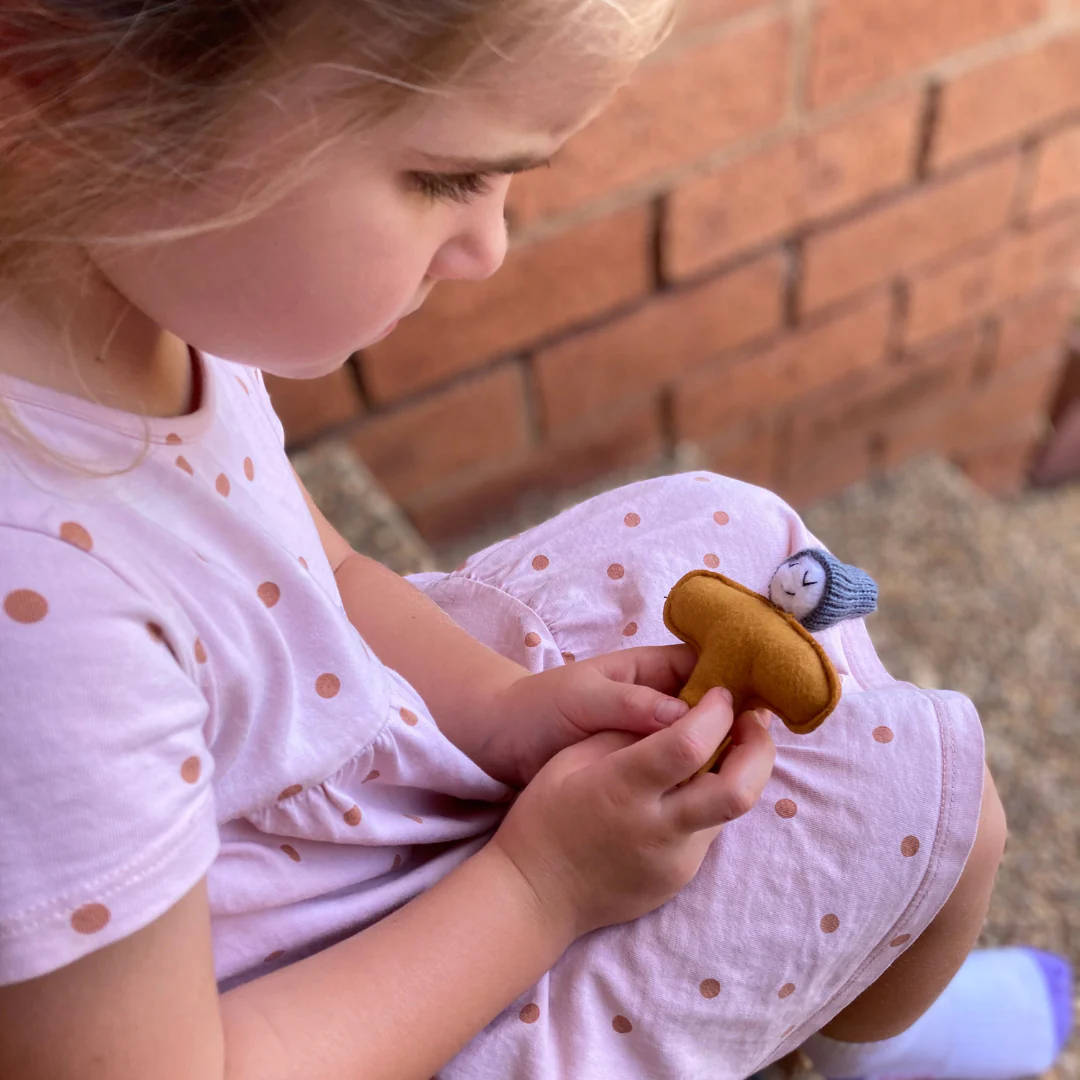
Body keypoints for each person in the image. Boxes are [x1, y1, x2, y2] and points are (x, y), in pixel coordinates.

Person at [0, 3, 1070, 1078]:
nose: (489, 247)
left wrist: (501, 707)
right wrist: (542, 889)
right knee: (940, 812)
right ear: (71, 70)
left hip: (338, 779)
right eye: (444, 180)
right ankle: (842, 1031)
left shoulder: (138, 284)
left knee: (736, 537)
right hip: (316, 988)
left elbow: (318, 570)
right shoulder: (44, 631)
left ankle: (827, 993)